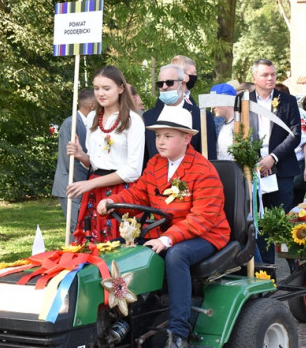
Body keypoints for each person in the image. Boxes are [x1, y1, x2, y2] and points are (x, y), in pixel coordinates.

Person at [97, 106, 230, 348]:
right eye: (158, 136)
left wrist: (167, 238)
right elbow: (138, 194)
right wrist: (113, 202)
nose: (160, 141)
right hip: (163, 232)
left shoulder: (203, 171)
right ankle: (120, 321)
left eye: (168, 136)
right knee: (118, 249)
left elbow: (203, 217)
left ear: (186, 139)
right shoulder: (156, 164)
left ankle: (178, 333)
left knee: (176, 256)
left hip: (206, 234)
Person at [66, 65, 145, 243]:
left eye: (106, 88)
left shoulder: (133, 121)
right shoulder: (94, 117)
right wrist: (81, 156)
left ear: (120, 88)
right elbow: (95, 162)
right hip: (94, 190)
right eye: (96, 88)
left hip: (121, 192)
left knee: (117, 246)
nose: (100, 93)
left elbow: (133, 170)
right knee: (92, 244)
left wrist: (90, 183)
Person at [249, 59, 301, 265]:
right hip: (253, 172)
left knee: (283, 222)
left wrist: (273, 158)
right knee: (260, 224)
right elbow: (238, 133)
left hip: (281, 171)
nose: (270, 78)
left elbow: (295, 134)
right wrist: (255, 163)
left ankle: (294, 269)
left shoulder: (287, 100)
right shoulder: (243, 101)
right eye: (265, 75)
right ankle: (267, 272)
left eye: (273, 74)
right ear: (254, 78)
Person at [143, 64, 217, 166]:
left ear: (182, 84)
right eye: (160, 84)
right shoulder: (148, 117)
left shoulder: (201, 116)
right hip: (155, 179)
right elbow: (145, 160)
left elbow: (211, 158)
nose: (164, 87)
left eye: (169, 82)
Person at [52, 99, 90, 234]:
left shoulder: (88, 123)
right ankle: (73, 254)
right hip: (70, 183)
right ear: (92, 105)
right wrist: (88, 181)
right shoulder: (71, 123)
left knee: (84, 227)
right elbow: (71, 159)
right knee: (76, 228)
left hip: (81, 185)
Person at [209, 82, 238, 161]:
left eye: (215, 102)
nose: (212, 107)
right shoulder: (220, 126)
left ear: (227, 101)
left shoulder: (240, 124)